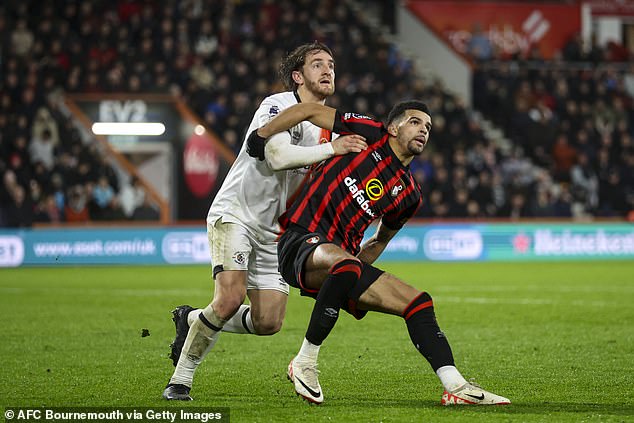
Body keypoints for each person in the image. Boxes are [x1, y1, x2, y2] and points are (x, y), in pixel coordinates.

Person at [248, 100, 511, 405]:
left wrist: (348, 283)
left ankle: (456, 387)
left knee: (418, 303)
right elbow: (307, 110)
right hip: (299, 240)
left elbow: (379, 242)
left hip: (338, 262)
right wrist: (263, 133)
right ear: (394, 127)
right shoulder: (367, 133)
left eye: (427, 127)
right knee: (346, 266)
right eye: (415, 122)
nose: (423, 130)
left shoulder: (409, 194)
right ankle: (304, 363)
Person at [162, 42, 367, 401]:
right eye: (317, 64)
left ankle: (192, 319)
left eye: (331, 64)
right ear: (297, 76)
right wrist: (332, 150)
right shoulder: (278, 106)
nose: (327, 70)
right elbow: (272, 155)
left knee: (268, 323)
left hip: (277, 234)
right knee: (228, 299)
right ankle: (181, 379)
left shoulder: (334, 129)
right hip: (237, 213)